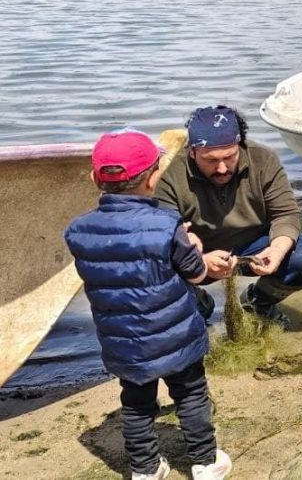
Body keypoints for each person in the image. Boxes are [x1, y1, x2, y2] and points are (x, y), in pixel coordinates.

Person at [64, 130, 232, 480]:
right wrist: (193, 245)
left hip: (123, 340)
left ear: (96, 178)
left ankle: (145, 468)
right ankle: (204, 461)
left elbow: (111, 269)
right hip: (175, 336)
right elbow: (196, 273)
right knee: (191, 394)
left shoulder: (78, 230)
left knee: (136, 404)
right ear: (155, 178)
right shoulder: (166, 224)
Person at [154, 105, 302, 328]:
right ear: (192, 151)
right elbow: (164, 235)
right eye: (211, 160)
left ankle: (258, 302)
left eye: (230, 157)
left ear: (240, 145)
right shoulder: (171, 174)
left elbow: (286, 214)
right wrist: (199, 261)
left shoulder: (264, 159)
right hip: (200, 255)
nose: (222, 168)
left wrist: (276, 251)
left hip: (254, 249)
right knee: (152, 269)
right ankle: (198, 306)